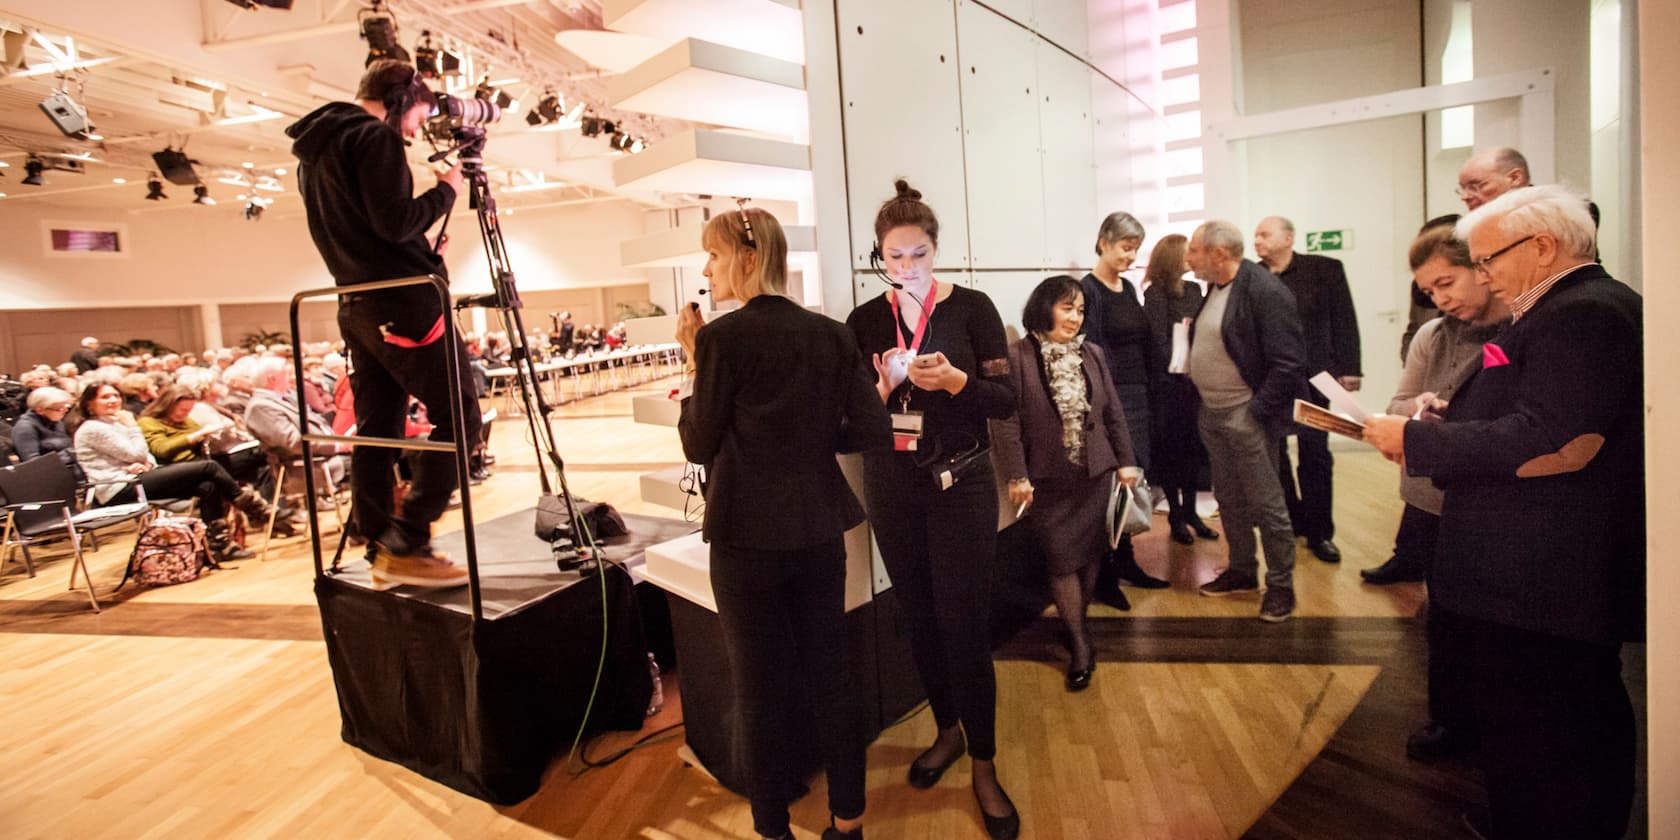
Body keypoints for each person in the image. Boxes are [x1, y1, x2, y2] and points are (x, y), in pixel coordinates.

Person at [1364, 186, 1641, 840]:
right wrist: (1448, 418)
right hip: (1540, 575)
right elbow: (1525, 413)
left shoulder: (1583, 313)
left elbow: (1556, 441)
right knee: (1552, 726)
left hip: (1542, 578)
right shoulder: (1564, 309)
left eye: (1489, 260)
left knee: (1545, 731)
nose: (1483, 275)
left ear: (1543, 246)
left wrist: (1416, 439)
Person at [675, 206, 890, 840]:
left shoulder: (719, 339)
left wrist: (693, 359)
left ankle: (772, 829)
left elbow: (698, 442)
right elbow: (869, 431)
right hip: (819, 529)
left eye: (713, 256)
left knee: (758, 688)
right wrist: (814, 432)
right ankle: (848, 821)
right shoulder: (830, 335)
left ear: (746, 257)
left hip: (745, 539)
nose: (707, 269)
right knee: (832, 675)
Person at [846, 179, 1019, 840]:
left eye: (919, 254)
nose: (908, 267)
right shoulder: (864, 322)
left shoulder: (972, 309)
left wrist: (958, 383)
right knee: (918, 618)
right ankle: (946, 728)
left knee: (964, 625)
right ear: (881, 257)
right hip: (892, 483)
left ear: (937, 250)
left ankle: (983, 760)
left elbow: (1004, 401)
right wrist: (883, 384)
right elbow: (849, 417)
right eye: (895, 257)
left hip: (962, 482)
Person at [287, 58, 477, 590]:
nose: (418, 127)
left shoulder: (317, 150)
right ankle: (407, 539)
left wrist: (420, 249)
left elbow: (368, 232)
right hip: (405, 303)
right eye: (418, 113)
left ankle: (375, 535)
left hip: (358, 304)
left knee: (378, 427)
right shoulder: (374, 137)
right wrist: (447, 189)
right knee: (461, 415)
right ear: (400, 99)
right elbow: (393, 223)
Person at [1356, 219, 1510, 775]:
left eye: (1447, 284)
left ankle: (1495, 722)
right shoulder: (1432, 336)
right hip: (1428, 497)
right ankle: (1451, 718)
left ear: (1483, 269)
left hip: (1488, 506)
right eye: (1429, 292)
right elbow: (1398, 405)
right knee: (1442, 616)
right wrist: (1414, 410)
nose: (1439, 300)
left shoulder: (1519, 330)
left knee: (1490, 622)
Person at [993, 275, 1140, 691]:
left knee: (1090, 553)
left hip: (1095, 474)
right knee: (1061, 559)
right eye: (1066, 307)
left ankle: (1078, 623)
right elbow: (1006, 422)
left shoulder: (1091, 352)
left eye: (1079, 310)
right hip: (1047, 479)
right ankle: (1079, 642)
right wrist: (1016, 473)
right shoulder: (1017, 356)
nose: (1075, 317)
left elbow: (1113, 413)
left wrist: (1127, 462)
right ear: (1044, 308)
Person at [1185, 221, 1306, 622]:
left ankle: (1280, 585)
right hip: (1213, 412)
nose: (1189, 259)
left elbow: (1288, 363)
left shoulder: (1265, 291)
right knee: (1230, 499)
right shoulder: (1215, 288)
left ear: (1218, 254)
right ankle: (1241, 570)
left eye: (1195, 251)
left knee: (1267, 504)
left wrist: (1254, 412)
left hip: (1245, 414)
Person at [1252, 216, 1361, 564]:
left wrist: (1350, 368)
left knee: (1315, 453)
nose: (1258, 241)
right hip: (1271, 379)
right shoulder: (1252, 277)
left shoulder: (1325, 270)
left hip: (1317, 378)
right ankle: (1294, 520)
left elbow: (1344, 319)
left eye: (1265, 235)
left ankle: (1320, 533)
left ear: (1288, 238)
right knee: (1276, 454)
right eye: (1256, 235)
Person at [72, 383, 276, 562]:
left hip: (136, 478)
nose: (113, 400)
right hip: (117, 487)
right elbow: (137, 451)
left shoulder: (115, 423)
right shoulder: (93, 428)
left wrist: (146, 464)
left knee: (208, 486)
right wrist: (134, 430)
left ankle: (220, 545)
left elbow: (146, 456)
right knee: (209, 467)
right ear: (90, 403)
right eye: (105, 397)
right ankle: (254, 508)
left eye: (116, 395)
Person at [1079, 211, 1168, 594]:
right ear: (1103, 243)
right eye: (1124, 248)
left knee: (1133, 480)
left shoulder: (1129, 289)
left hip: (1138, 395)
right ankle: (1106, 572)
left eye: (1134, 250)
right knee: (1112, 482)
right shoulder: (1088, 290)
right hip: (1112, 398)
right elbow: (1091, 351)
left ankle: (1126, 556)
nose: (1130, 257)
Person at [1142, 235, 1215, 546]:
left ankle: (1191, 512)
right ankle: (1175, 515)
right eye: (1188, 252)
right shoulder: (1157, 294)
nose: (1193, 257)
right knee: (1173, 452)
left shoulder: (1196, 289)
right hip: (1169, 385)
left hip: (1194, 382)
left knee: (1195, 450)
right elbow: (1157, 342)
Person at [12, 386, 82, 480]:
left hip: (73, 469)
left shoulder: (55, 421)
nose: (65, 411)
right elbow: (33, 464)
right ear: (40, 410)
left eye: (66, 407)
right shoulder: (25, 428)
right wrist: (70, 454)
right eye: (59, 409)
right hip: (53, 478)